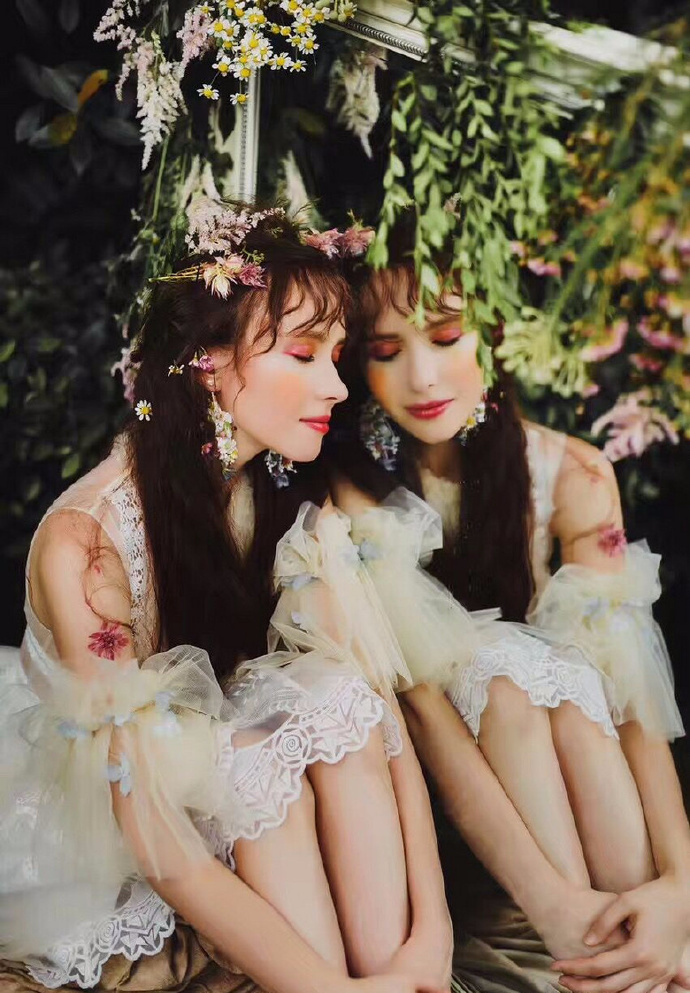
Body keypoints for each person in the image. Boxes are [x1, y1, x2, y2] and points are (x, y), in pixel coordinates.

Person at [0, 203, 451, 993]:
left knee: (336, 696)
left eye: (336, 355)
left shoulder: (278, 494)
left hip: (217, 802)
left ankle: (396, 975)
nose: (336, 385)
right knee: (252, 755)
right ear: (208, 361)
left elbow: (382, 718)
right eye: (304, 353)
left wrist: (432, 935)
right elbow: (152, 833)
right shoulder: (88, 543)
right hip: (109, 834)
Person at [326, 212, 690, 993]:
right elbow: (421, 709)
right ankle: (589, 950)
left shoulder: (575, 473)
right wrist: (550, 901)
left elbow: (636, 698)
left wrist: (682, 885)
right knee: (504, 675)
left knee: (573, 678)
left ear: (494, 332)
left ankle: (634, 947)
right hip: (444, 805)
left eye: (447, 337)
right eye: (386, 352)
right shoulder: (353, 489)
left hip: (572, 774)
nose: (423, 379)